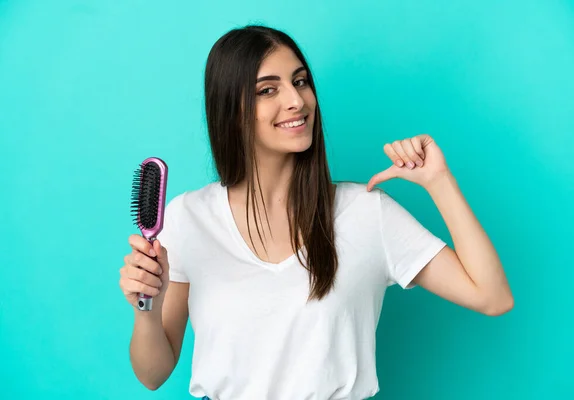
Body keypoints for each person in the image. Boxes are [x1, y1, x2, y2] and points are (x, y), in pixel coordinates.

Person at [119, 25, 513, 400]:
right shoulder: (189, 217)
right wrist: (146, 310)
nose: (296, 100)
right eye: (267, 90)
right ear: (230, 109)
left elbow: (493, 297)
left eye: (300, 81)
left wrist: (439, 181)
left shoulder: (366, 212)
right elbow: (153, 374)